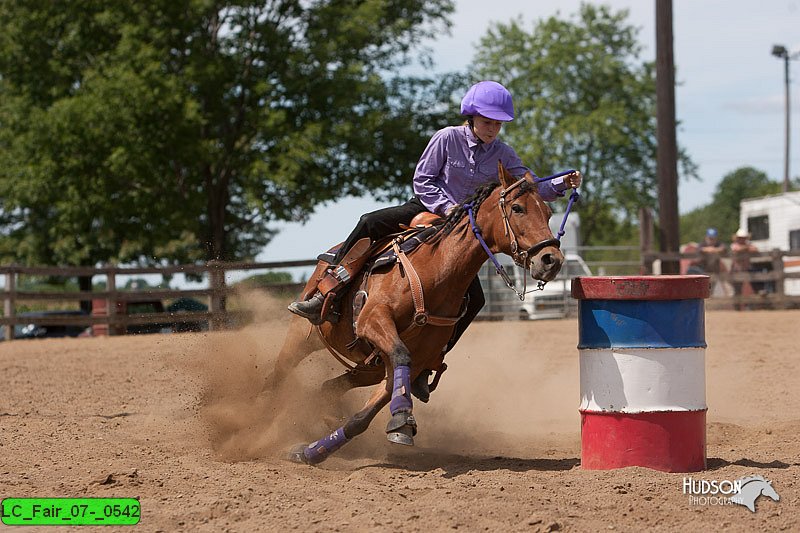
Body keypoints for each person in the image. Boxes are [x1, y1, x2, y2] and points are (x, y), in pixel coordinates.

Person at [288, 81, 581, 395]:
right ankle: (328, 290)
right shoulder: (446, 138)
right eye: (487, 122)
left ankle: (428, 361)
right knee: (370, 222)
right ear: (471, 117)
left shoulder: (504, 153)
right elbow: (423, 181)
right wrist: (449, 208)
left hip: (462, 234)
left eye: (498, 123)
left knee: (475, 301)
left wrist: (563, 183)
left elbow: (528, 187)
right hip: (428, 209)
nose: (493, 129)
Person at [730, 228, 759, 306]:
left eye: (743, 238)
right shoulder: (734, 245)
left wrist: (746, 248)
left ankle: (752, 305)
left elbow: (755, 249)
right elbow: (737, 249)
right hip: (737, 270)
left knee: (754, 287)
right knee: (737, 289)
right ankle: (737, 306)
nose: (742, 239)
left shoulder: (748, 245)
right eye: (740, 238)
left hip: (747, 269)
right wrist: (746, 248)